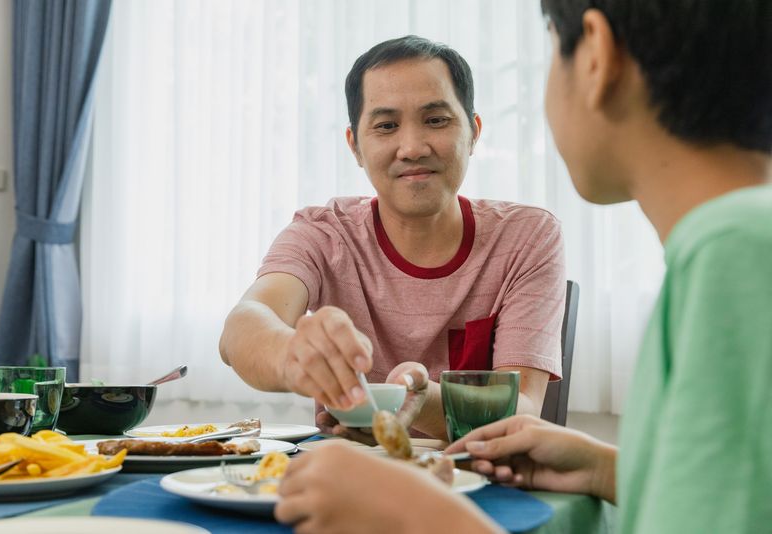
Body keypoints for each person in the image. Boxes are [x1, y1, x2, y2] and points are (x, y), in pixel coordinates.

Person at [274, 1, 772, 533]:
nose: (412, 146)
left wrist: (418, 515)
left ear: (596, 57)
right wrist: (608, 469)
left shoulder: (736, 256)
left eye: (553, 50)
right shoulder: (738, 240)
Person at [219, 35, 566, 440]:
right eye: (386, 126)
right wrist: (289, 357)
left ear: (473, 132)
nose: (413, 147)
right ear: (356, 147)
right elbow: (241, 330)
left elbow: (522, 411)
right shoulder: (323, 233)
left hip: (477, 485)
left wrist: (420, 400)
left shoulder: (527, 237)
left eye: (436, 120)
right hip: (351, 478)